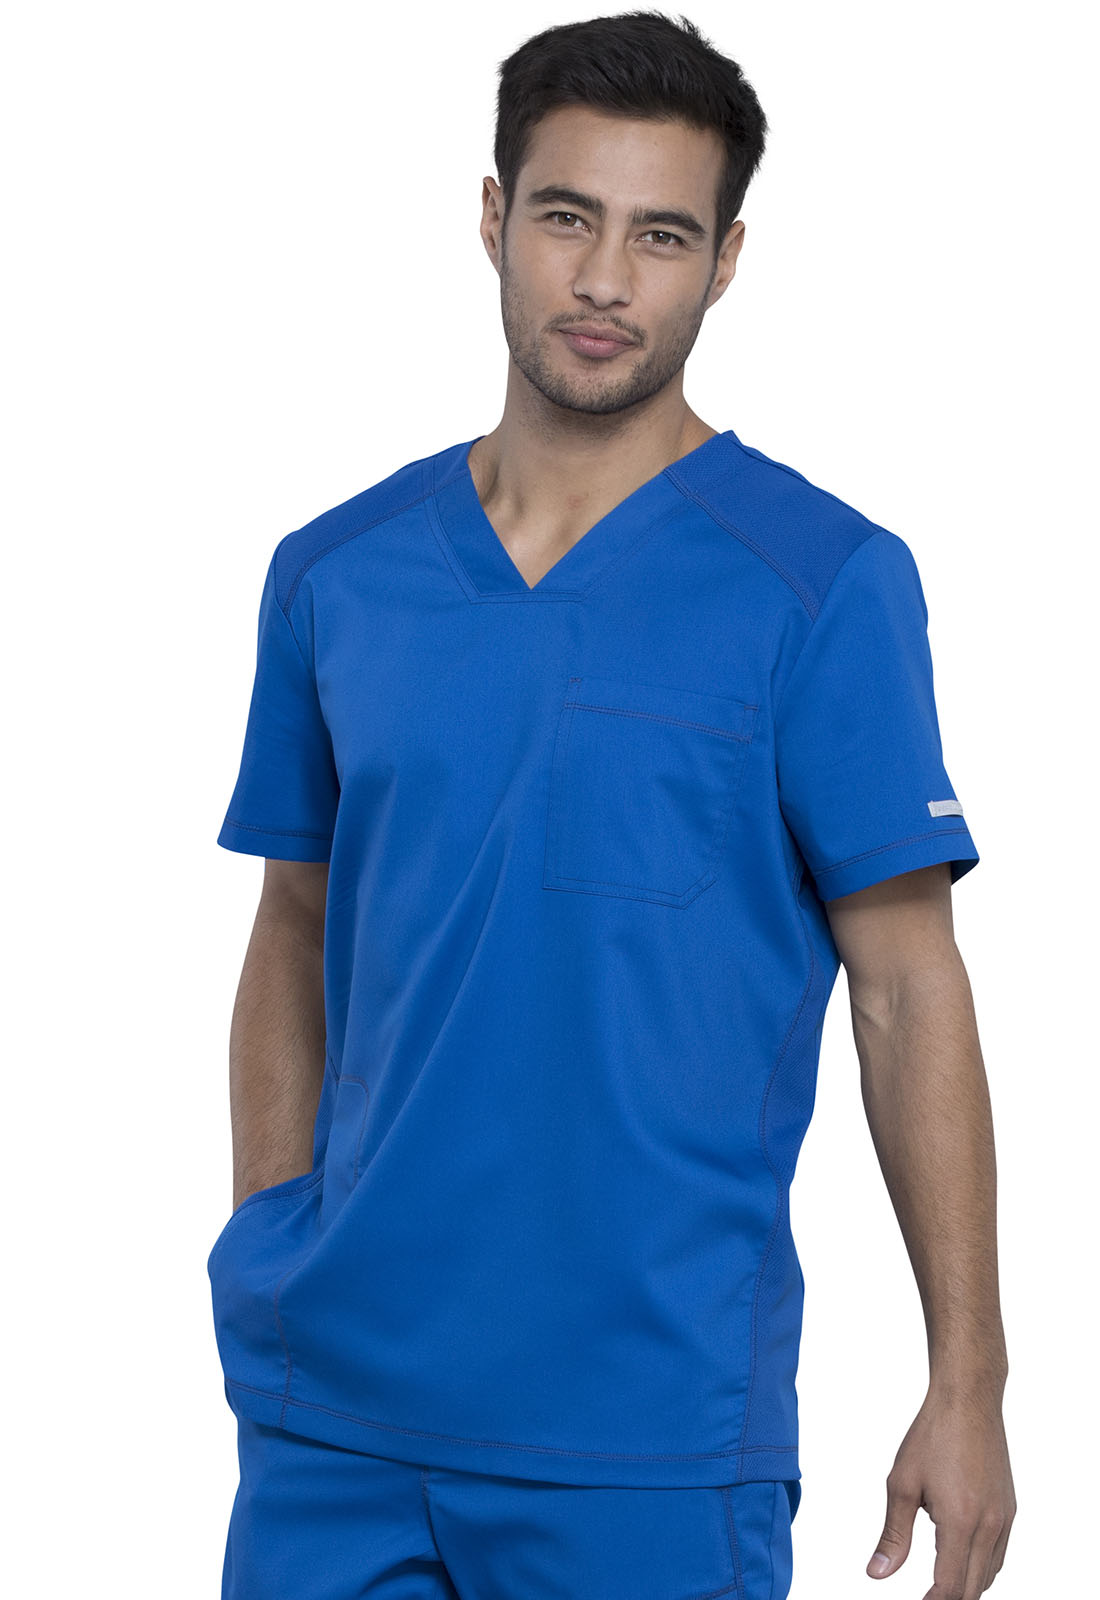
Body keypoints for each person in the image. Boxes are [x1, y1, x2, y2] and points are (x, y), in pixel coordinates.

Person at [207, 11, 1016, 1598]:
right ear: (493, 216)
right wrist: (271, 1235)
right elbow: (293, 929)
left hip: (648, 1431)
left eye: (661, 235)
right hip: (333, 1420)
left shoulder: (823, 583)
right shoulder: (336, 573)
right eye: (567, 217)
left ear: (724, 263)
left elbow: (909, 986)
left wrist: (968, 1379)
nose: (602, 280)